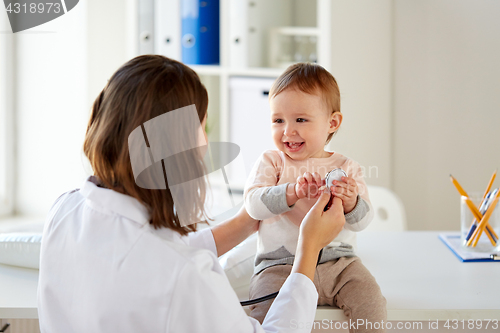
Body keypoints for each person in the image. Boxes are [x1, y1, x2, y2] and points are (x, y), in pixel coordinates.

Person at [37, 55, 346, 333]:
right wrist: (309, 249)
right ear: (176, 145)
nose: (206, 143)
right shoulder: (188, 277)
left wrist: (243, 221)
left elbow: (152, 251)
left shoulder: (66, 208)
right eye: (203, 127)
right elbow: (171, 264)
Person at [244, 62, 387, 332]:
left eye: (300, 119)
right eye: (278, 120)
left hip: (340, 263)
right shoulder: (272, 162)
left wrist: (351, 202)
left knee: (372, 304)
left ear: (332, 122)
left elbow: (362, 221)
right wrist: (292, 192)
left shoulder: (347, 167)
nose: (288, 131)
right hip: (280, 265)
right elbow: (253, 205)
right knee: (264, 314)